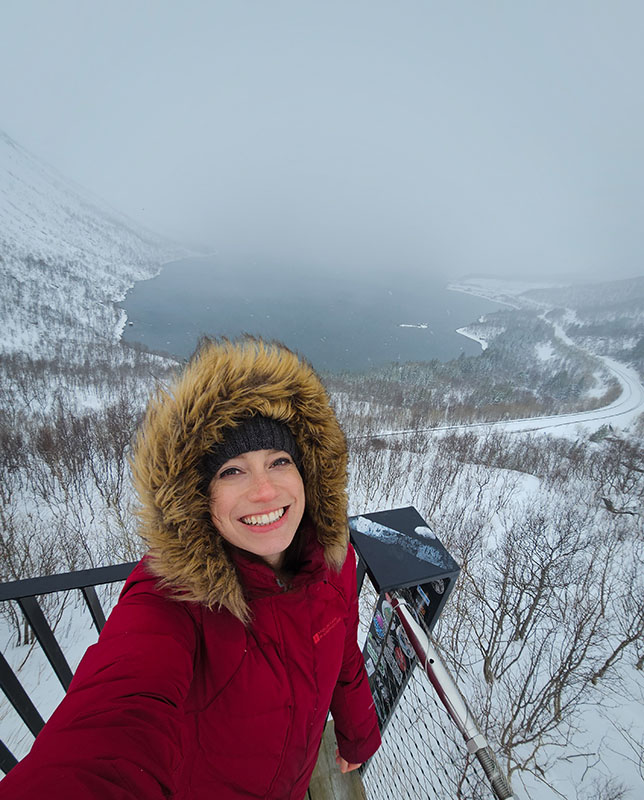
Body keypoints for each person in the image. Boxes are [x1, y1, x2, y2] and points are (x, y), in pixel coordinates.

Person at [0, 336, 381, 799]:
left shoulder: (333, 558)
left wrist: (358, 732)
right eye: (231, 471)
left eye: (279, 461)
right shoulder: (170, 598)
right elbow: (110, 730)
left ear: (307, 474)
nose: (264, 491)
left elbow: (342, 653)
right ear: (200, 499)